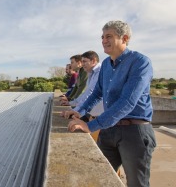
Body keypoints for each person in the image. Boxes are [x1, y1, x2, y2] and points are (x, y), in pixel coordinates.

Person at [67, 20, 156, 187]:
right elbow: (97, 93)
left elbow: (128, 101)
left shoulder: (140, 62)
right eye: (102, 37)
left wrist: (91, 125)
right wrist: (82, 111)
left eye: (109, 36)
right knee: (99, 178)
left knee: (137, 183)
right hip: (109, 130)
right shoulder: (106, 65)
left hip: (134, 132)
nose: (103, 40)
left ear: (125, 38)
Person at [61, 51, 103, 118]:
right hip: (93, 113)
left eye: (84, 61)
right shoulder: (91, 73)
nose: (82, 64)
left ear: (93, 61)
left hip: (100, 115)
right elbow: (86, 93)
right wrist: (72, 103)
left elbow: (90, 93)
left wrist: (76, 110)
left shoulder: (100, 72)